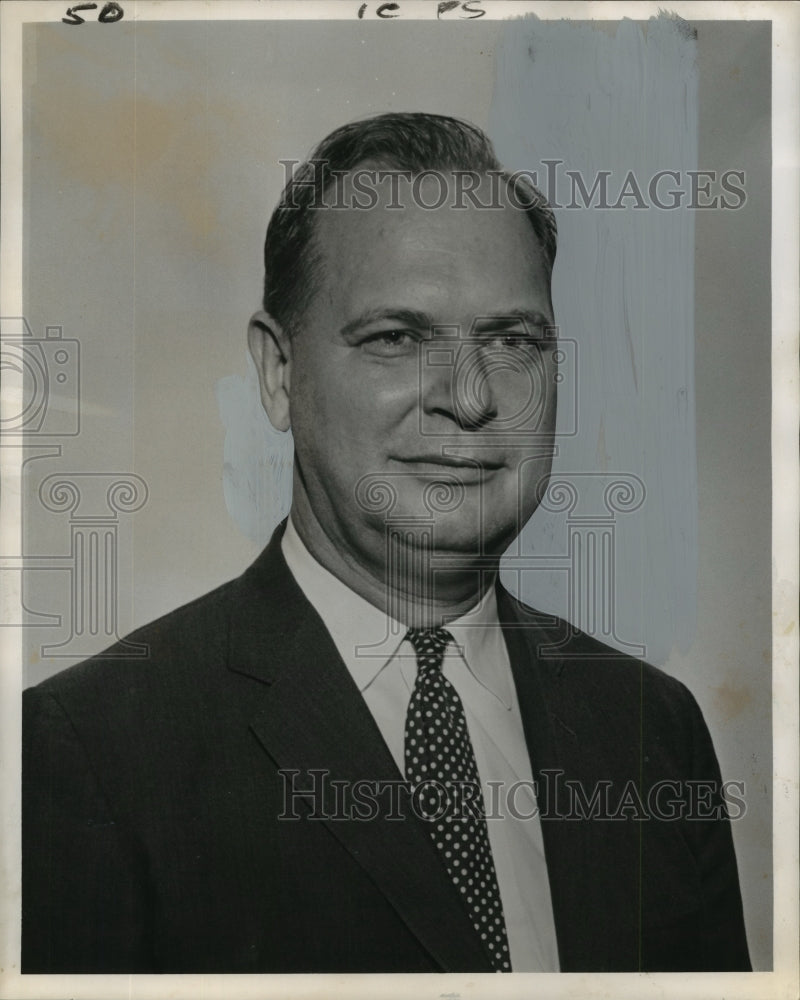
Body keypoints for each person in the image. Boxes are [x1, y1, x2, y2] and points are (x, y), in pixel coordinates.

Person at [22, 112, 751, 974]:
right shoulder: (88, 750)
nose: (468, 398)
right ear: (278, 374)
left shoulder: (651, 731)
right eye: (397, 339)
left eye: (511, 341)